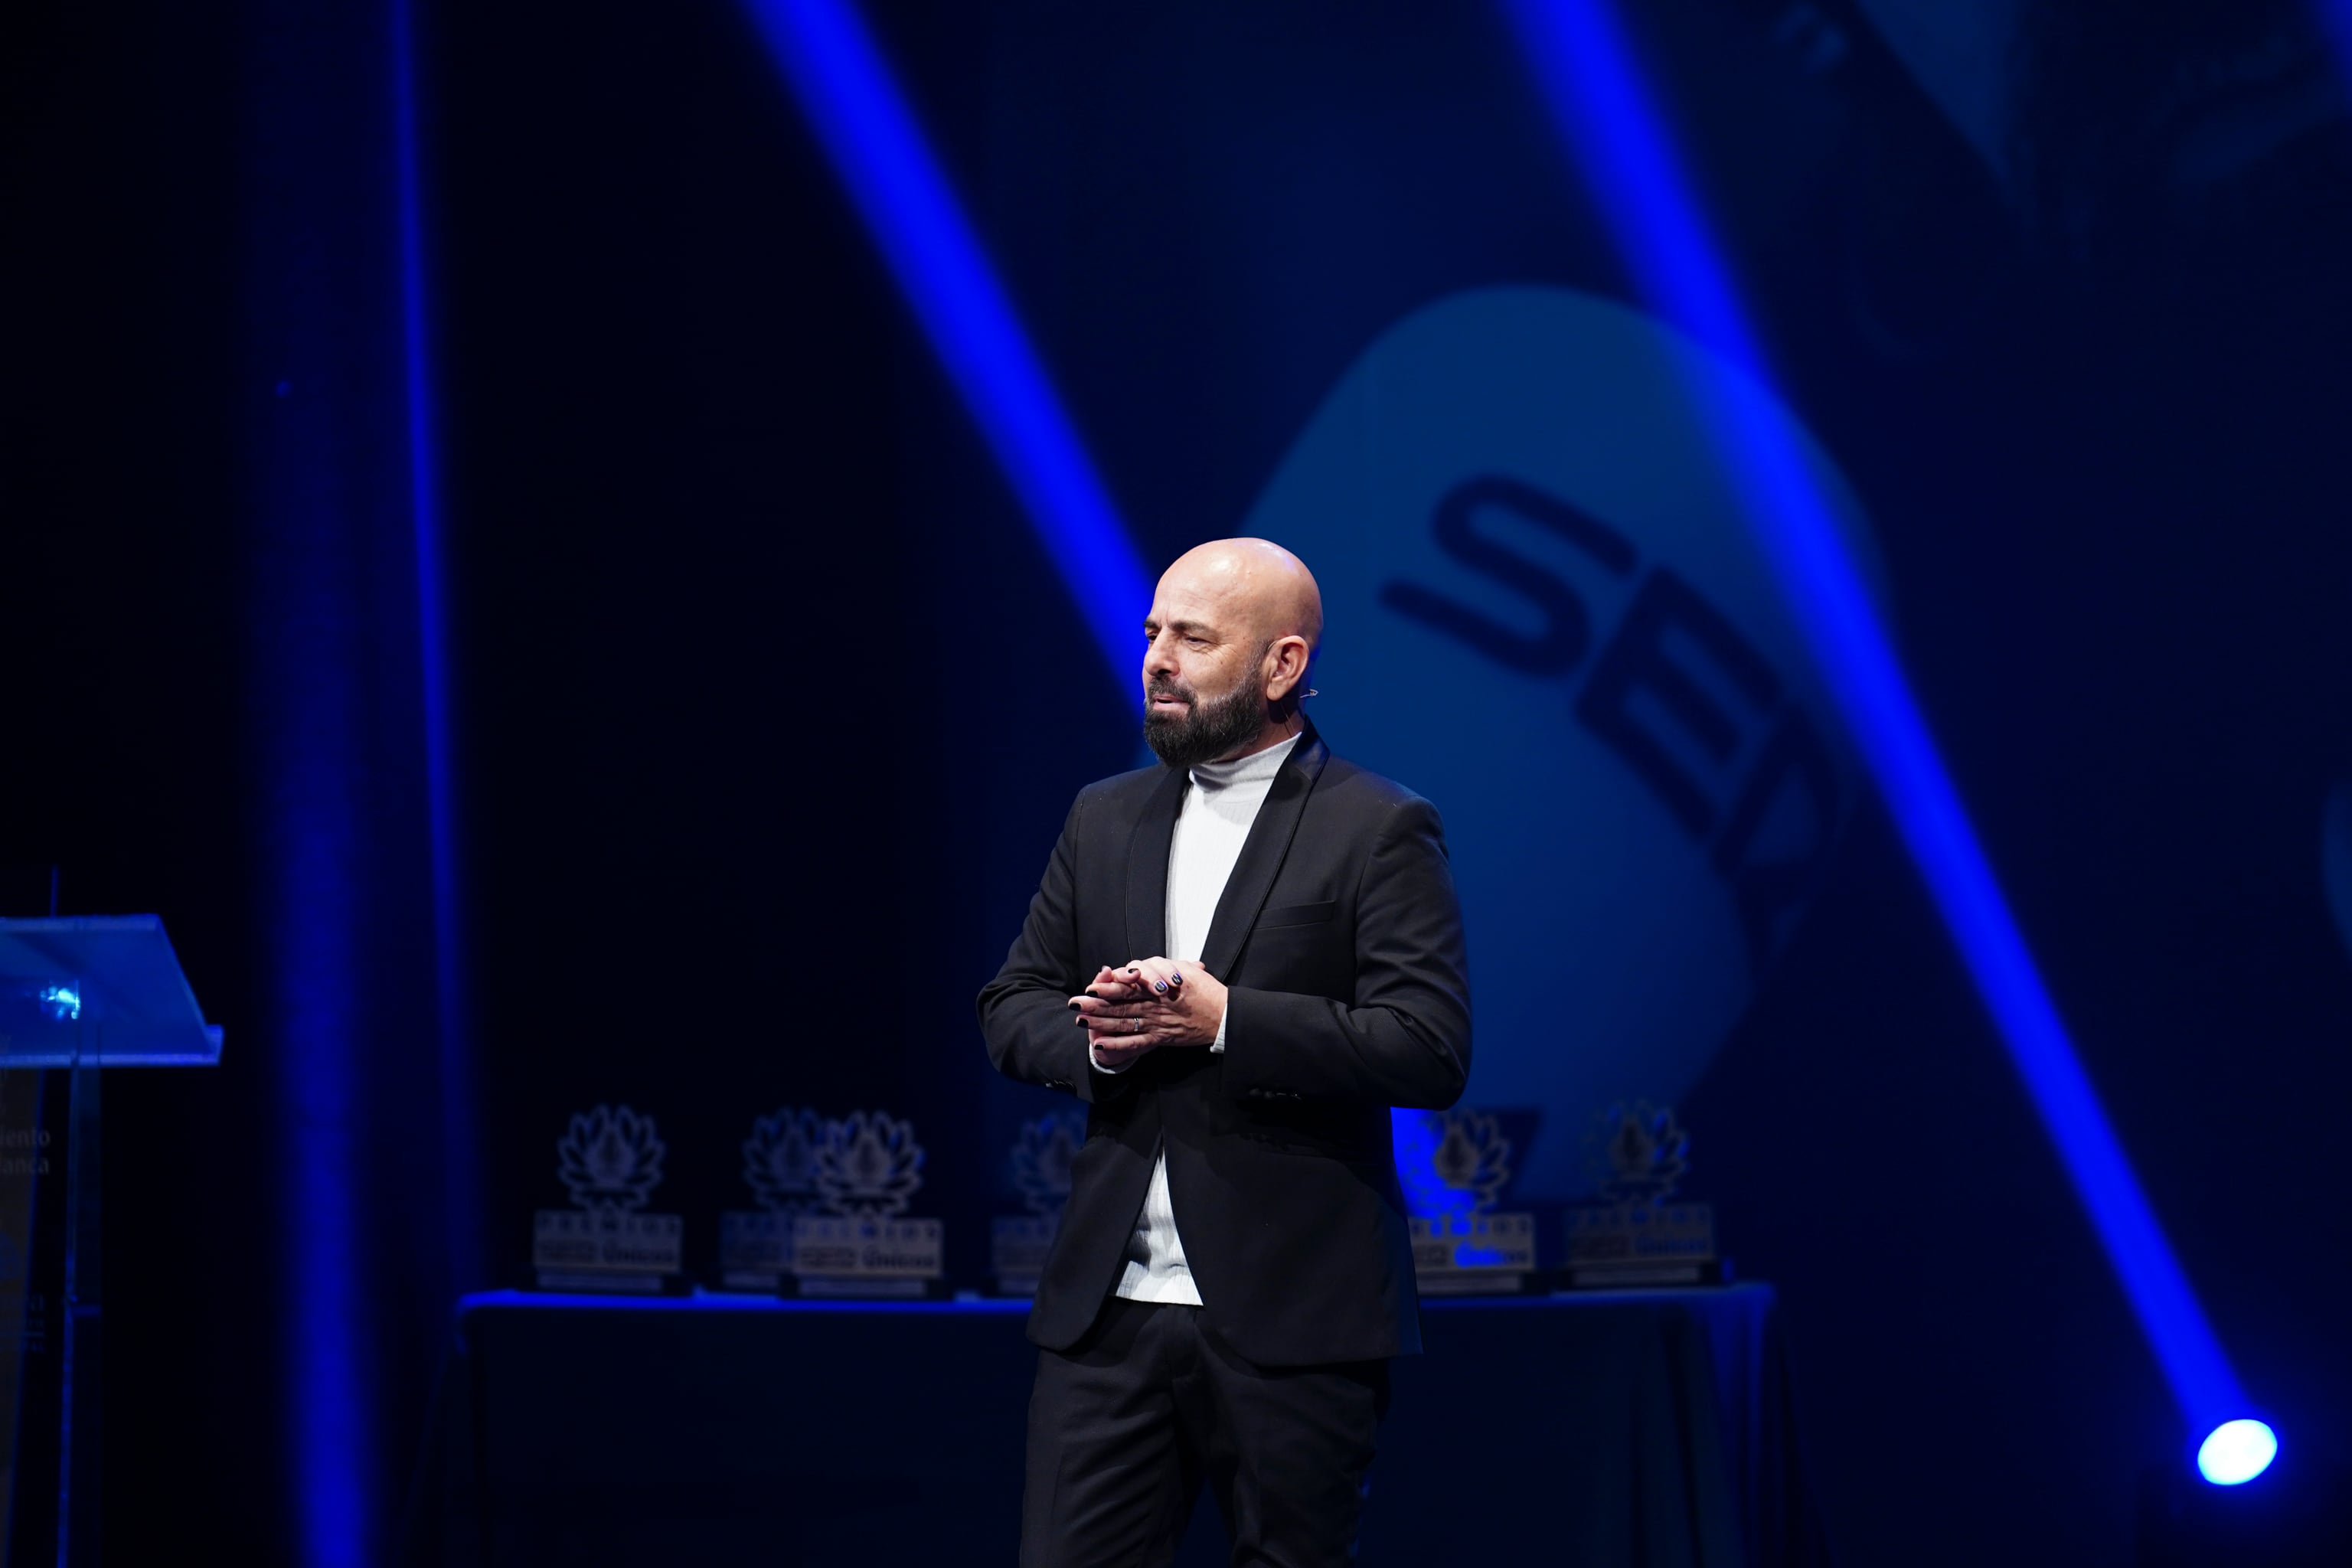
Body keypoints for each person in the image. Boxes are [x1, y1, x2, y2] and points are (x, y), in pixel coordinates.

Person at [978, 537, 1472, 1566]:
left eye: (1194, 639)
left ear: (1282, 665)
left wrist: (1228, 1020)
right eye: (1153, 632)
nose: (1158, 658)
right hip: (1108, 1317)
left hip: (1295, 1317)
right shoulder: (1103, 815)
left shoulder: (1378, 827)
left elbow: (1427, 1047)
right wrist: (1104, 1043)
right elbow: (1013, 1003)